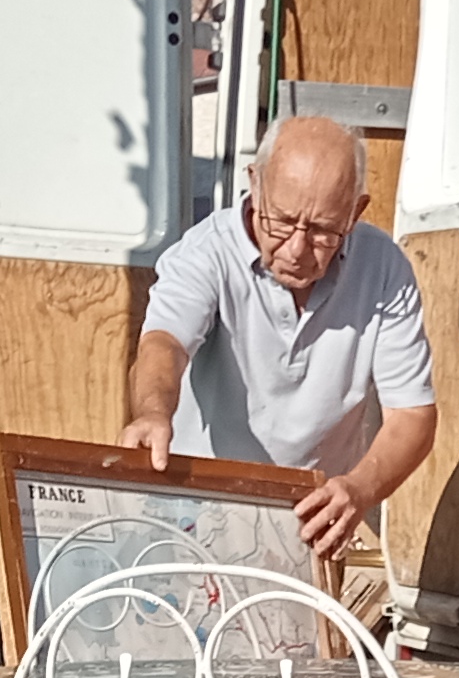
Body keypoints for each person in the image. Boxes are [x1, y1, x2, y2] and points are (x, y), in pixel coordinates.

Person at [120, 115, 437, 580]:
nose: (296, 248)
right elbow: (164, 345)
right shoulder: (205, 253)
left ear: (356, 211)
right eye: (282, 221)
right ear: (255, 182)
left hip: (308, 529)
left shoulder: (384, 269)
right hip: (193, 518)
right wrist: (152, 411)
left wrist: (359, 489)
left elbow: (412, 415)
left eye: (324, 231)